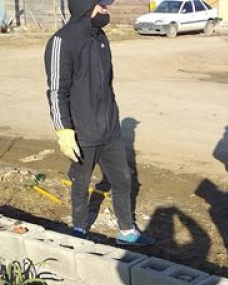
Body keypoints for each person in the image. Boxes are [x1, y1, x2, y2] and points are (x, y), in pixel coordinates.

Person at [44, 0, 154, 246]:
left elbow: (107, 85)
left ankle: (126, 231)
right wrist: (64, 130)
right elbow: (56, 92)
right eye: (101, 6)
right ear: (85, 7)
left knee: (123, 179)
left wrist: (113, 117)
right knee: (81, 182)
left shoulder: (101, 38)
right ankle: (80, 228)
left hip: (110, 130)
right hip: (82, 132)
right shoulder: (62, 42)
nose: (106, 11)